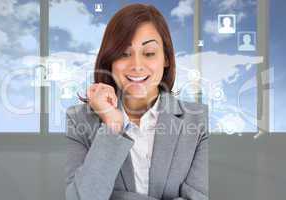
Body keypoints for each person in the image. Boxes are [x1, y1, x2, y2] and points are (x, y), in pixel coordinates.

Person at [65, 3, 208, 200]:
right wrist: (113, 125)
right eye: (124, 53)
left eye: (149, 53)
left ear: (166, 58)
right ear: (110, 60)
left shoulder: (199, 120)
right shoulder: (78, 120)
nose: (137, 66)